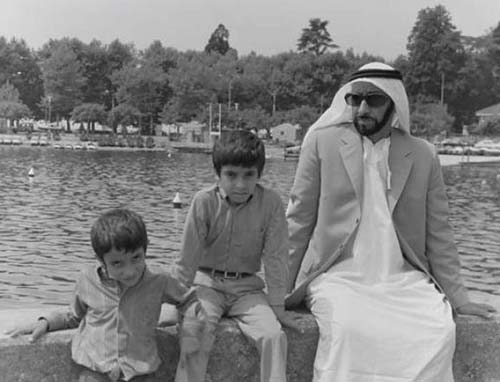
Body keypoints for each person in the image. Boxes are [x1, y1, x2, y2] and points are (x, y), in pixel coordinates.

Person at [285, 62, 496, 382]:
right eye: (355, 100)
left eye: (373, 100)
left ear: (394, 103)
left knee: (438, 330)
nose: (362, 108)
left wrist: (460, 297)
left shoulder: (423, 154)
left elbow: (438, 233)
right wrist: (277, 291)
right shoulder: (322, 143)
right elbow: (298, 222)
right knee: (347, 331)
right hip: (338, 276)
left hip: (403, 278)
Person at [7, 208, 206, 382]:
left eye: (136, 258)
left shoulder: (159, 280)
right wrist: (46, 322)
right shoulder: (87, 280)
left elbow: (188, 299)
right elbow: (74, 316)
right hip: (95, 372)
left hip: (141, 372)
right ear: (101, 260)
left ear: (146, 248)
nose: (129, 271)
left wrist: (191, 333)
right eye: (117, 263)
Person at [173, 130, 301, 382]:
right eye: (231, 175)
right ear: (218, 173)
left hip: (247, 290)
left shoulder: (271, 203)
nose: (240, 184)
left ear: (259, 174)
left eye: (248, 175)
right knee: (196, 332)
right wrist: (176, 296)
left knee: (273, 336)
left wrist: (277, 305)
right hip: (206, 285)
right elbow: (187, 256)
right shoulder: (204, 201)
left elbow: (276, 257)